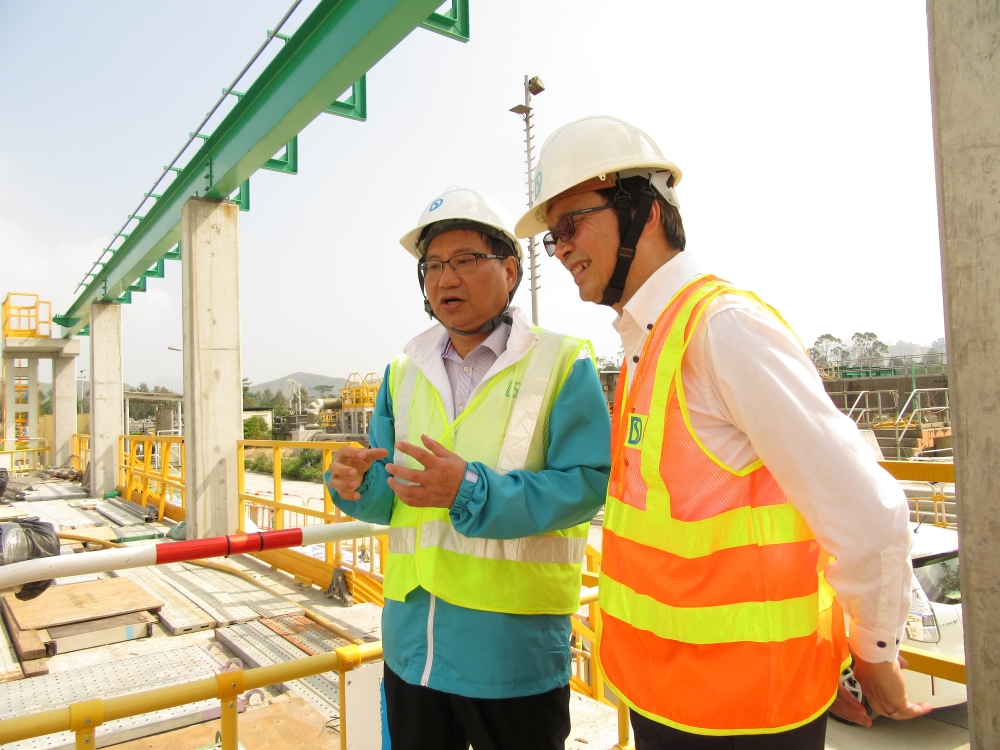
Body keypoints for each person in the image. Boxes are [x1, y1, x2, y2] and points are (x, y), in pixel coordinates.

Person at [513, 116, 928, 749]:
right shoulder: (645, 342)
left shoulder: (723, 329)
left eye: (570, 224)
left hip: (745, 718)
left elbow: (867, 515)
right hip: (667, 702)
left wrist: (871, 655)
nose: (561, 249)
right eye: (552, 238)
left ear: (644, 211)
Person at [325, 185, 611, 750]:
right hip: (413, 649)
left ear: (510, 269)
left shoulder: (561, 361)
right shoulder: (401, 371)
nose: (443, 279)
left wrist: (473, 490)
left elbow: (587, 484)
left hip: (510, 653)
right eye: (432, 266)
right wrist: (356, 487)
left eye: (463, 261)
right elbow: (390, 495)